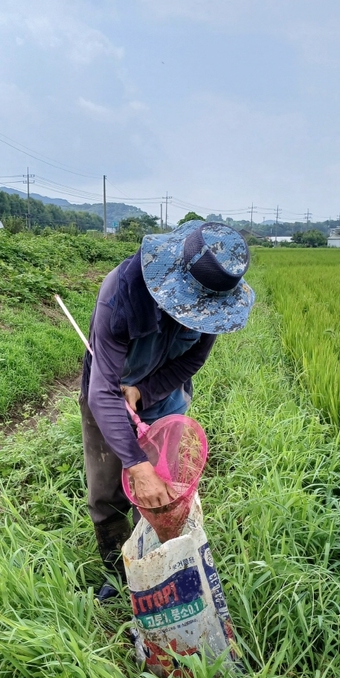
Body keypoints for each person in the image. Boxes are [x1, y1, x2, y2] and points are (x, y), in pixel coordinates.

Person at [80, 219, 255, 601]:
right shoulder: (122, 293)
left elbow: (190, 361)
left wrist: (145, 390)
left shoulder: (214, 304)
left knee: (161, 490)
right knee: (108, 488)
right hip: (108, 393)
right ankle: (118, 568)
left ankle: (160, 568)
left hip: (164, 396)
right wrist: (135, 463)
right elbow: (102, 390)